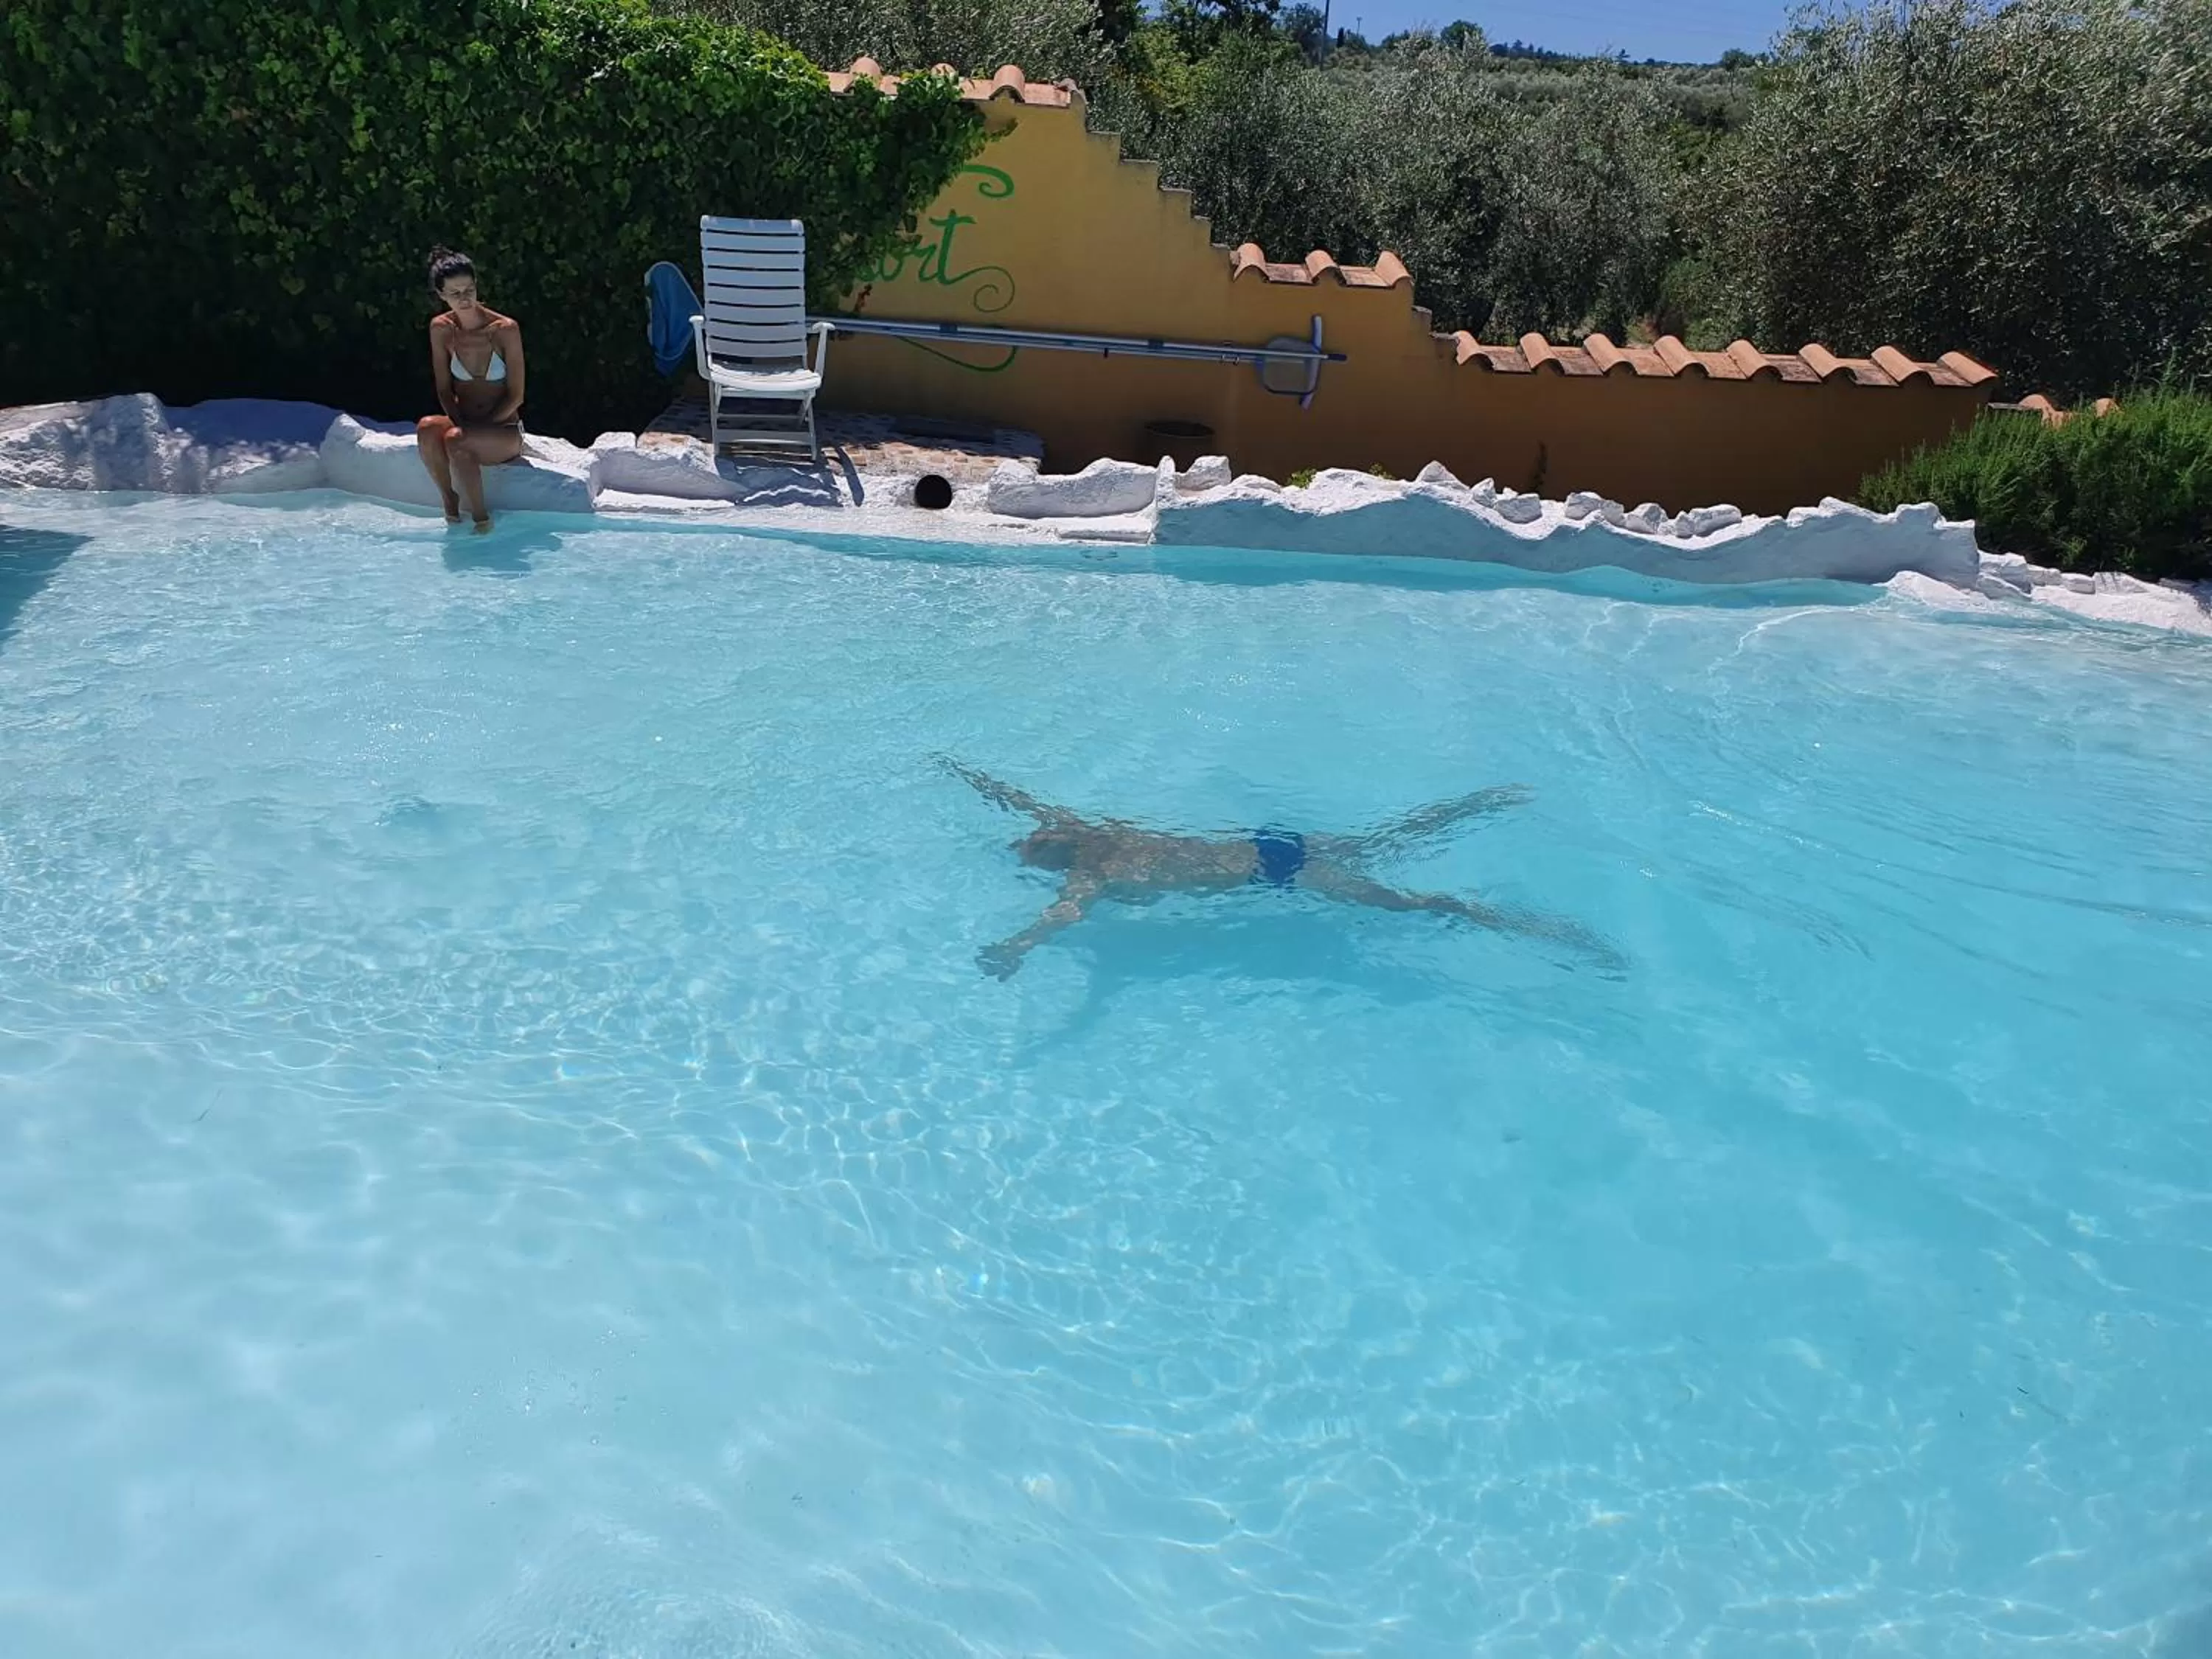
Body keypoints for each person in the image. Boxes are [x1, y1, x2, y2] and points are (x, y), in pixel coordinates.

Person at [942, 757, 1622, 978]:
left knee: (1416, 903)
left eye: (1033, 841)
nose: (1035, 834)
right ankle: (1477, 805)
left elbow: (1062, 915)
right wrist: (982, 782)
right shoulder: (1095, 838)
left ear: (1056, 850)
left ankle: (1491, 913)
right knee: (1391, 839)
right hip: (1272, 842)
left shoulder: (1090, 869)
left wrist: (1015, 948)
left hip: (1280, 874)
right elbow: (1029, 802)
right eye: (1033, 837)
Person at [414, 247, 526, 531]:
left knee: (456, 440)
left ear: (477, 288)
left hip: (503, 430)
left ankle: (480, 518)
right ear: (441, 295)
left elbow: (517, 396)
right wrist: (460, 421)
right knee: (427, 427)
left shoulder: (504, 329)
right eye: (455, 293)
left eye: (469, 290)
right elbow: (443, 388)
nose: (464, 299)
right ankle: (449, 499)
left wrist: (478, 429)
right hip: (465, 424)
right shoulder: (441, 329)